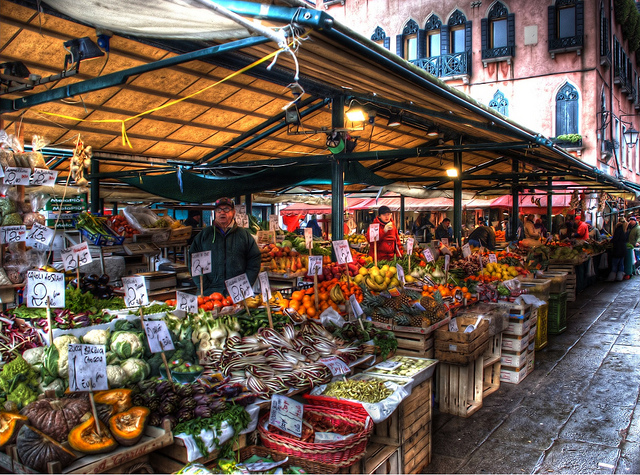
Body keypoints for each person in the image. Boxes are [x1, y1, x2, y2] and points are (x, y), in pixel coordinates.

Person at [189, 197, 261, 296]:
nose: (222, 212)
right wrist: (203, 286)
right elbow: (193, 260)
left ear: (233, 212)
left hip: (237, 292)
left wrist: (245, 285)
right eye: (219, 210)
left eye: (226, 209)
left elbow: (254, 260)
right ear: (215, 212)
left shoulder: (244, 235)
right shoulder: (205, 235)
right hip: (209, 293)